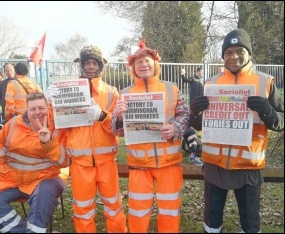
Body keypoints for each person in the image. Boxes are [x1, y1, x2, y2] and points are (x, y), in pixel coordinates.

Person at [190, 29, 284, 233]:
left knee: (250, 222)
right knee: (212, 222)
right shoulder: (211, 83)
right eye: (228, 52)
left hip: (248, 165)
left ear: (249, 53)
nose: (234, 56)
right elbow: (198, 126)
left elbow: (281, 122)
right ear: (223, 56)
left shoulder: (265, 82)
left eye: (240, 50)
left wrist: (267, 111)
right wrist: (195, 112)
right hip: (215, 164)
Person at [46, 45, 127, 233]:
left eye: (94, 62)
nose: (91, 66)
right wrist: (50, 103)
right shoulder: (67, 90)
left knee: (114, 206)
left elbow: (119, 130)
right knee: (83, 210)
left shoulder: (111, 92)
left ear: (101, 65)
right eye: (87, 62)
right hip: (80, 164)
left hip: (107, 162)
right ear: (81, 65)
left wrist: (102, 116)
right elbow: (55, 125)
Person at [111, 38, 190, 233]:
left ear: (155, 64)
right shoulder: (124, 94)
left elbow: (185, 114)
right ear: (133, 68)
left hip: (169, 163)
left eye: (147, 61)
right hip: (139, 165)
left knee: (170, 209)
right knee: (138, 210)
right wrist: (119, 116)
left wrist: (175, 128)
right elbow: (116, 130)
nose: (144, 65)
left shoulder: (172, 88)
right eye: (139, 62)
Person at [0, 92, 69, 233]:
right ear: (27, 109)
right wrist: (3, 169)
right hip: (13, 177)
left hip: (48, 178)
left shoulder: (58, 126)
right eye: (33, 109)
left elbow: (65, 162)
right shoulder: (13, 124)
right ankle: (20, 230)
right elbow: (1, 148)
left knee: (43, 198)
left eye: (41, 108)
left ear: (48, 107)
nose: (37, 112)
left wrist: (48, 142)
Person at [180, 67, 203, 165]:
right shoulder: (193, 79)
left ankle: (193, 152)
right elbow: (185, 80)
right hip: (194, 105)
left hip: (201, 106)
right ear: (197, 71)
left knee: (192, 130)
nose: (201, 73)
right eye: (201, 71)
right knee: (191, 128)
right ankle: (191, 150)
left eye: (202, 72)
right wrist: (182, 74)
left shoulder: (202, 81)